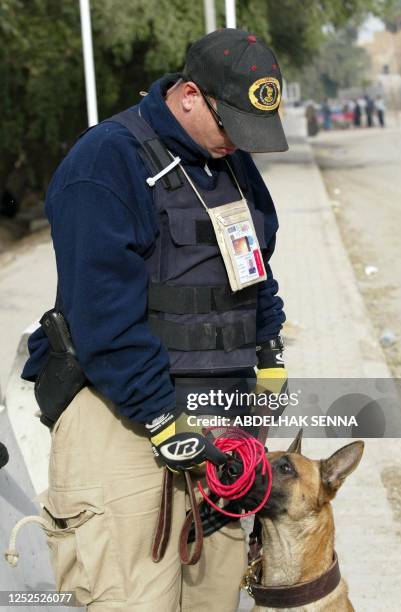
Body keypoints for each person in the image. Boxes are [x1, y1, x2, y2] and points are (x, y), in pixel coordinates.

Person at [19, 29, 288, 612]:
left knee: (214, 598)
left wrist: (269, 355)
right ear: (190, 95)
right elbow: (102, 315)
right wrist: (161, 418)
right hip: (123, 416)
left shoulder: (233, 164)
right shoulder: (107, 160)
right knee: (128, 598)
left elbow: (257, 265)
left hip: (217, 421)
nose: (237, 142)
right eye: (230, 126)